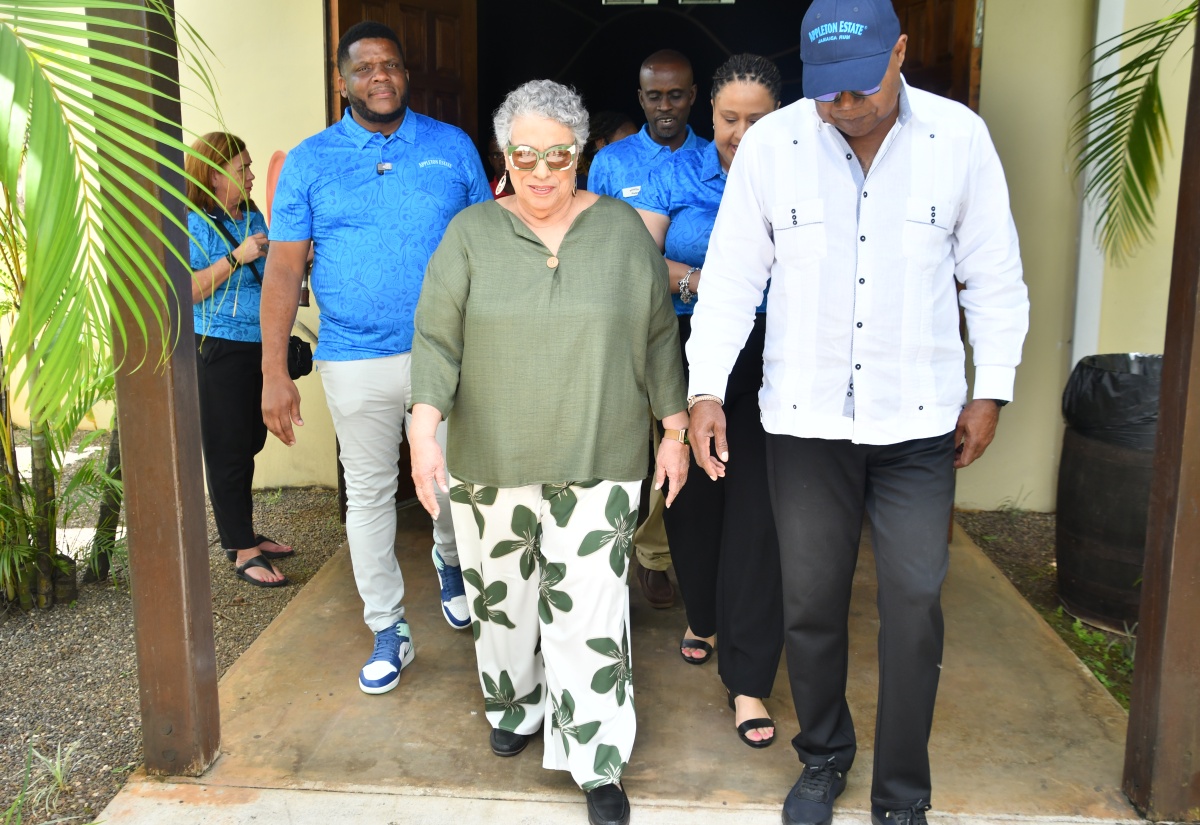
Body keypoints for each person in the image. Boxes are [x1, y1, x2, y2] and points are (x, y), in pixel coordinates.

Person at [685, 3, 1029, 824]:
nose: (845, 106)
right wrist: (704, 389)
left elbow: (993, 272)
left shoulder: (959, 139)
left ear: (900, 53)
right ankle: (825, 754)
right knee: (810, 601)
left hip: (917, 422)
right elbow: (732, 278)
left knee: (913, 604)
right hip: (804, 424)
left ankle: (902, 791)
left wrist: (992, 387)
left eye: (861, 86)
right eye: (828, 90)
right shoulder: (774, 144)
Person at [408, 79, 689, 825]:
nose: (540, 173)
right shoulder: (469, 232)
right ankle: (517, 702)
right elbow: (437, 338)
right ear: (506, 154)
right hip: (490, 455)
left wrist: (673, 430)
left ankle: (596, 757)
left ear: (581, 153)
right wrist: (422, 429)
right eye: (525, 155)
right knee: (503, 598)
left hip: (601, 452)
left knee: (589, 611)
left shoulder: (623, 230)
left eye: (557, 157)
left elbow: (659, 336)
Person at [260, 21, 491, 695]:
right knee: (368, 496)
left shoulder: (451, 148)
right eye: (364, 69)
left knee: (452, 487)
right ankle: (388, 628)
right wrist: (274, 370)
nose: (379, 77)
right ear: (342, 81)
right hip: (353, 356)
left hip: (446, 354)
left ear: (405, 73)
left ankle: (451, 562)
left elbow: (490, 245)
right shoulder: (310, 160)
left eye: (390, 65)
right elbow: (281, 272)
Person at [631, 54, 784, 749]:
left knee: (757, 512)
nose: (743, 131)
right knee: (692, 500)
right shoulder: (678, 173)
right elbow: (642, 264)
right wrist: (702, 283)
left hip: (775, 362)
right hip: (687, 345)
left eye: (759, 118)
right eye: (730, 119)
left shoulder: (804, 177)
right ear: (710, 116)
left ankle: (747, 677)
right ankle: (703, 612)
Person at [587, 49, 709, 610]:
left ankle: (655, 555)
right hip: (622, 326)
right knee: (621, 444)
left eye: (676, 94)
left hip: (690, 331)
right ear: (640, 99)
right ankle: (608, 556)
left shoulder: (713, 161)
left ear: (694, 95)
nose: (665, 106)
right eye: (654, 96)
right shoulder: (610, 164)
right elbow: (593, 246)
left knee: (675, 438)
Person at [186, 132, 294, 589]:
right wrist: (237, 256)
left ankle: (242, 531)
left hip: (259, 346)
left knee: (249, 440)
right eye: (240, 169)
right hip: (219, 345)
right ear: (213, 173)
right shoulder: (190, 222)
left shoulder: (251, 214)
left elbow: (270, 276)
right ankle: (242, 550)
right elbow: (186, 290)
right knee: (228, 449)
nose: (250, 176)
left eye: (250, 167)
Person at [579, 110, 636, 186]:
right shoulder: (579, 189)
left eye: (637, 141)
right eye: (624, 145)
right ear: (601, 143)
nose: (635, 150)